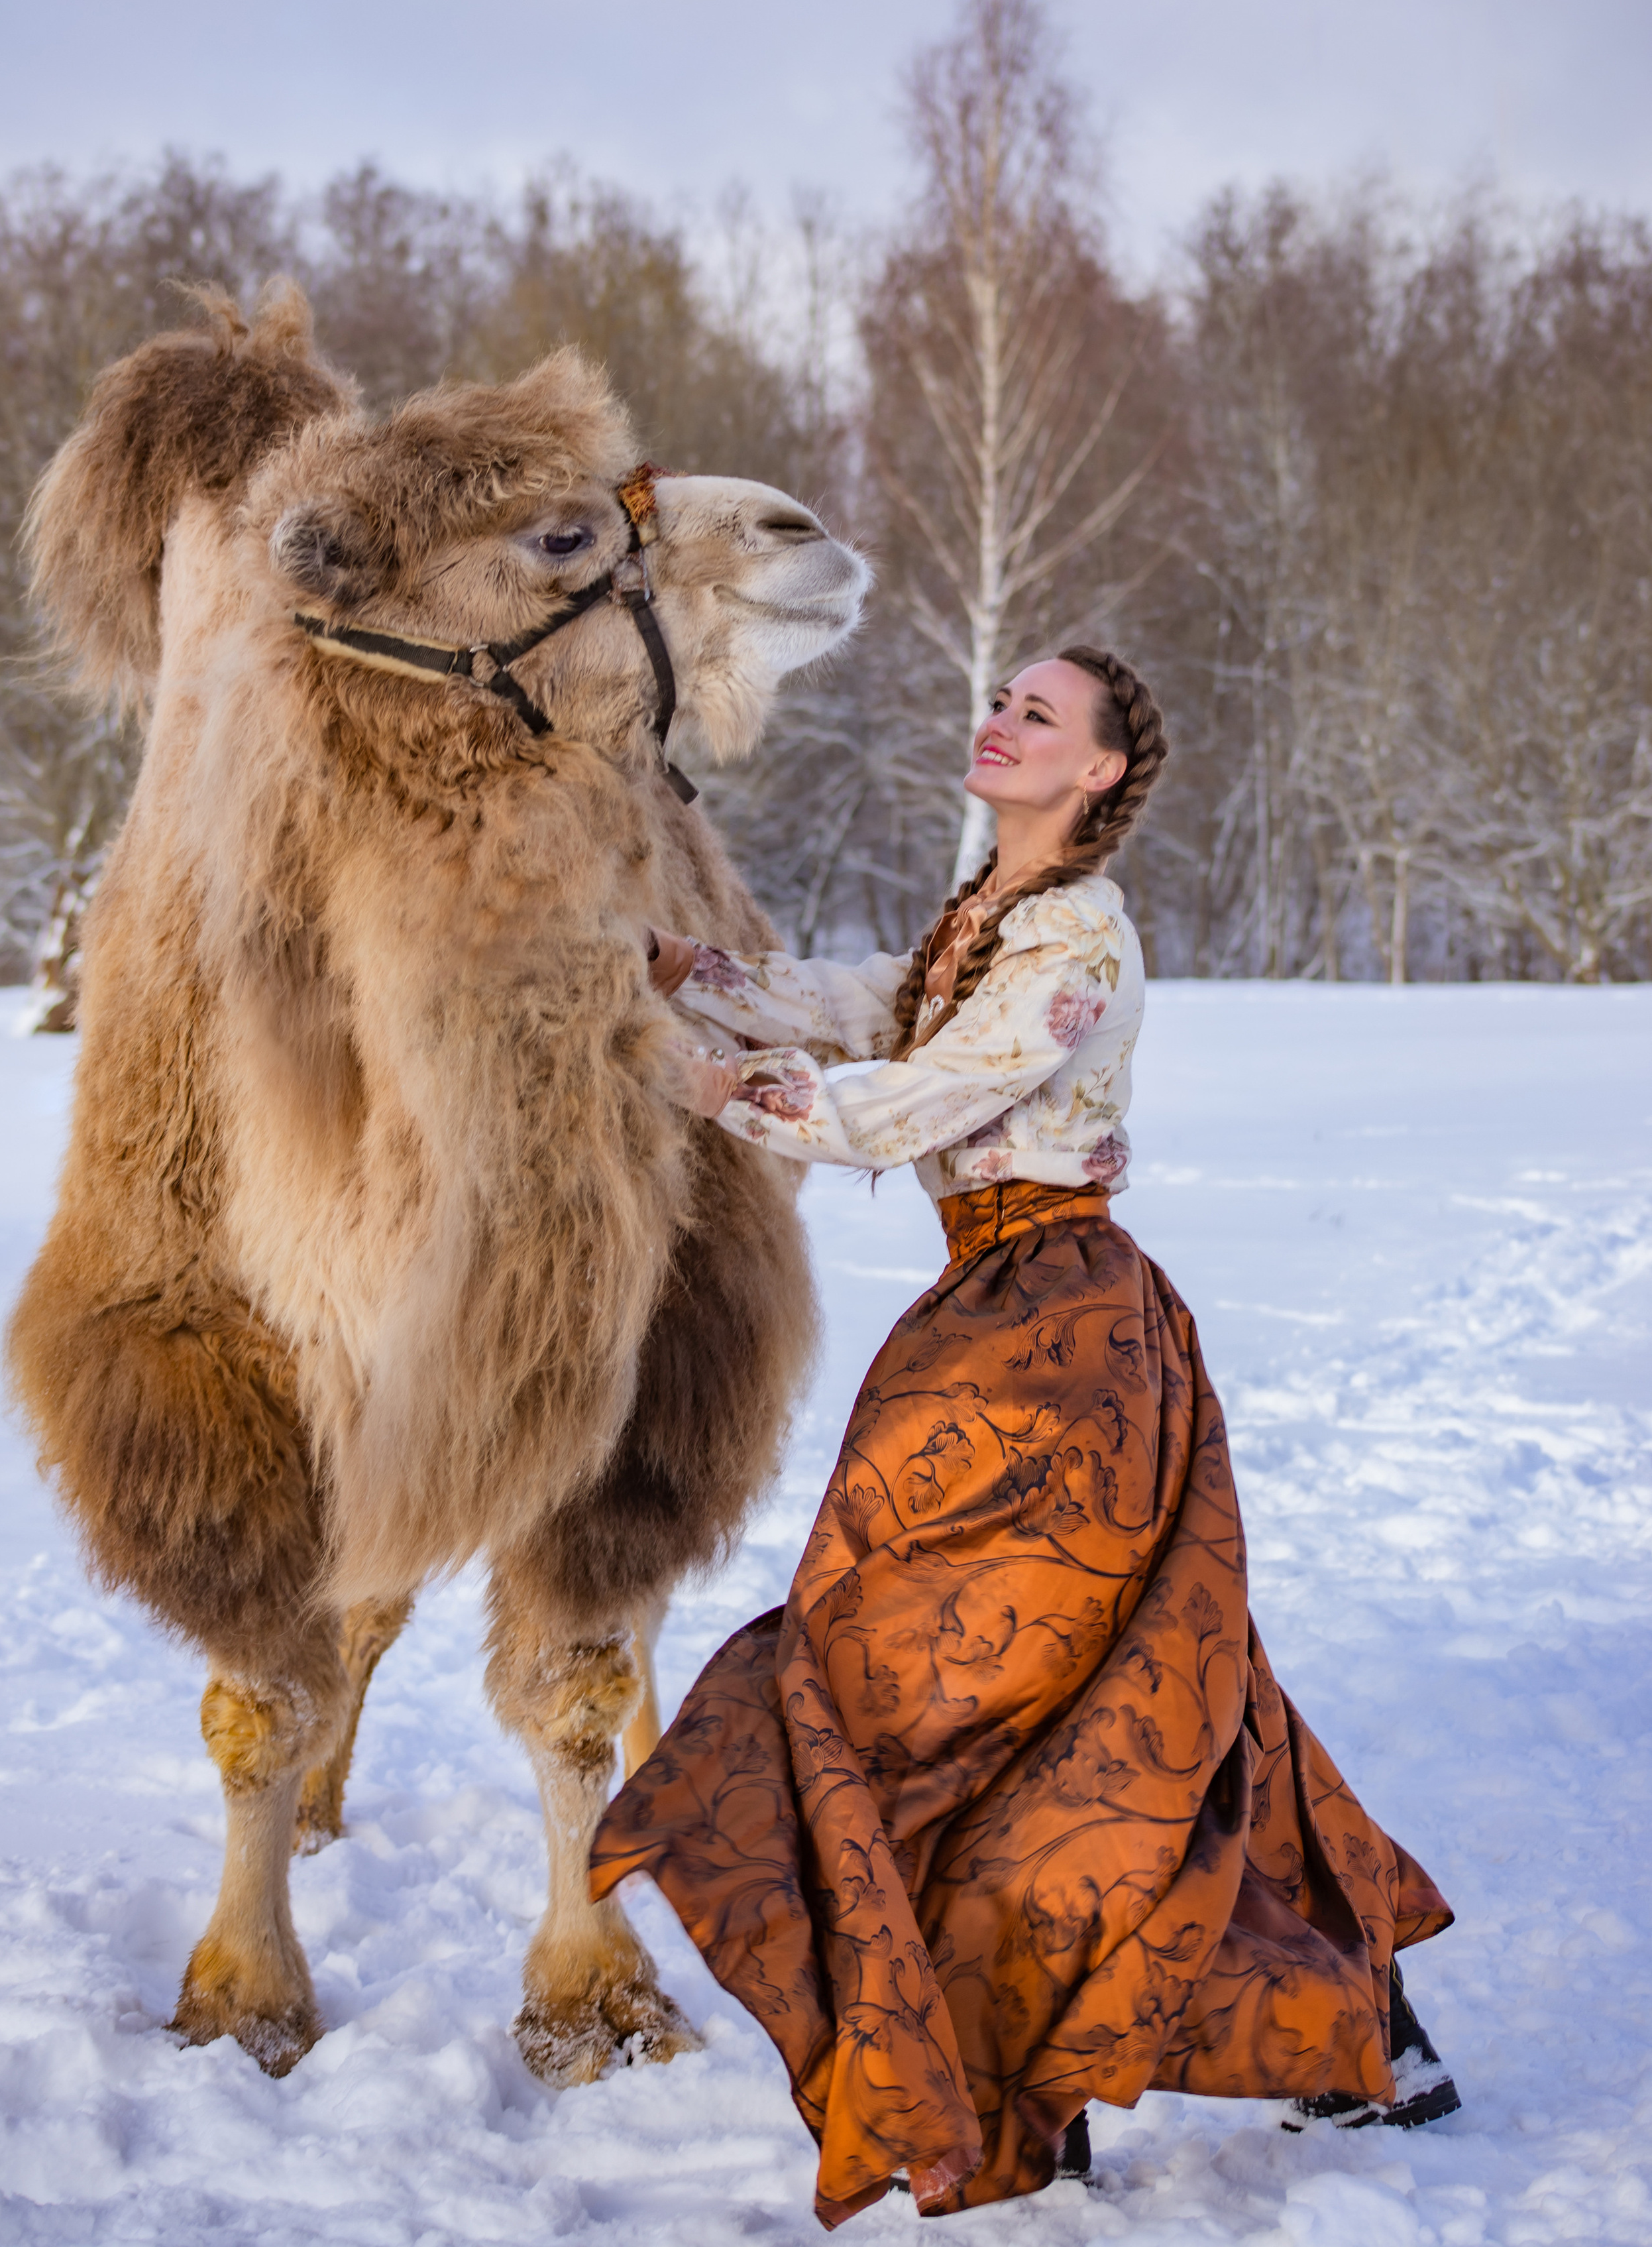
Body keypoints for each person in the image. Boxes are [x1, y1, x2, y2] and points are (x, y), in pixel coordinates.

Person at [590, 646, 1459, 2228]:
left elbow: (901, 1103)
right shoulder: (978, 918)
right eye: (1001, 698)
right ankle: (1345, 2026)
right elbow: (840, 1007)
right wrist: (648, 958)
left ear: (1100, 774)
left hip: (1057, 1347)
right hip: (997, 1316)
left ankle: (1027, 2067)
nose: (1000, 719)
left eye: (1039, 715)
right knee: (1130, 1696)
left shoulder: (1079, 942)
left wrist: (681, 1076)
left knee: (952, 1701)